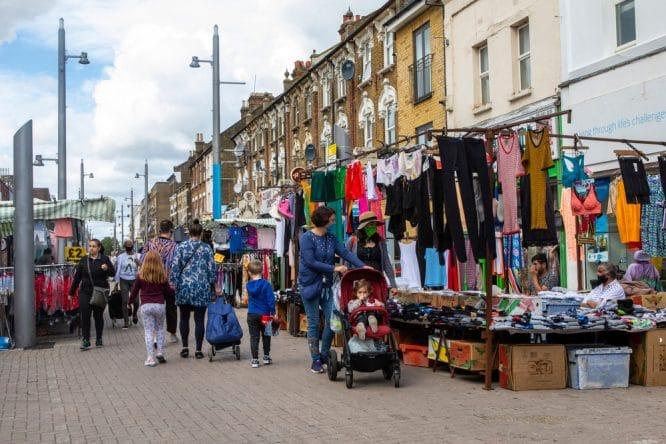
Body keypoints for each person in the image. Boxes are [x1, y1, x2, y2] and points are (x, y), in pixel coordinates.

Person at [298, 206, 365, 374]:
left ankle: (324, 354)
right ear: (324, 219)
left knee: (333, 321)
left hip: (327, 286)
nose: (334, 222)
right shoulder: (306, 238)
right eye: (332, 219)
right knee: (313, 323)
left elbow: (345, 253)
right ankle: (315, 361)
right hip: (310, 285)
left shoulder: (331, 238)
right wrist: (334, 268)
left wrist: (363, 267)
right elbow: (310, 261)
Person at [170, 219, 216, 359]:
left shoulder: (181, 247)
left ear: (188, 232)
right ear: (201, 232)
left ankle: (184, 347)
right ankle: (198, 350)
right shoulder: (206, 248)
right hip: (201, 288)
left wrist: (173, 282)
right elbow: (212, 270)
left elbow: (175, 267)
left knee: (184, 318)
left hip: (184, 287)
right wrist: (212, 284)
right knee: (199, 319)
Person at [68, 239, 115, 350]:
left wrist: (107, 268)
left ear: (99, 248)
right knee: (85, 316)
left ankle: (99, 338)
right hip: (85, 292)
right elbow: (77, 277)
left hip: (99, 292)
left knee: (98, 316)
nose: (91, 248)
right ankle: (86, 340)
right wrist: (71, 292)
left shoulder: (104, 259)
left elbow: (113, 273)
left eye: (94, 246)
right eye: (90, 246)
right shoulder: (84, 260)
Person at [130, 251, 174, 367]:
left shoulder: (140, 276)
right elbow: (168, 292)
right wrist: (174, 290)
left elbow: (134, 291)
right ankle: (160, 351)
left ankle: (150, 358)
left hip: (146, 306)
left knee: (148, 332)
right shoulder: (162, 276)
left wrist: (129, 302)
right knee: (160, 329)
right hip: (159, 305)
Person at [143, 219, 179, 343]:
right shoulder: (175, 246)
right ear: (171, 231)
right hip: (169, 282)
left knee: (154, 307)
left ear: (159, 230)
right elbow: (177, 264)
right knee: (171, 308)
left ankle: (154, 337)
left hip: (153, 281)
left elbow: (142, 259)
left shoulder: (150, 243)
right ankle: (173, 334)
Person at [345, 211, 397, 292]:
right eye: (370, 225)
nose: (373, 227)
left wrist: (393, 285)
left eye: (374, 225)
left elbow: (386, 262)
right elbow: (346, 262)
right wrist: (347, 283)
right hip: (358, 285)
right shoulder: (352, 241)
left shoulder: (380, 241)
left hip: (377, 282)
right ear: (363, 227)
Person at [246, 259, 277, 368]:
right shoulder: (266, 284)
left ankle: (255, 360)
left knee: (254, 337)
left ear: (249, 272)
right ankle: (266, 357)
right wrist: (273, 312)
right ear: (262, 271)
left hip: (252, 314)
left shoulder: (248, 285)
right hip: (265, 315)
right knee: (266, 335)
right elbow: (270, 300)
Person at [115, 240, 140, 329]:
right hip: (124, 280)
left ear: (133, 246)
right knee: (125, 301)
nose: (129, 246)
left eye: (130, 245)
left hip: (135, 280)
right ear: (124, 247)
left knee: (136, 301)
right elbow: (117, 268)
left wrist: (139, 263)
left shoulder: (138, 256)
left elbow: (143, 266)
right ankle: (126, 321)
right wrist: (116, 281)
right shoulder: (121, 257)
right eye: (127, 245)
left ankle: (134, 314)